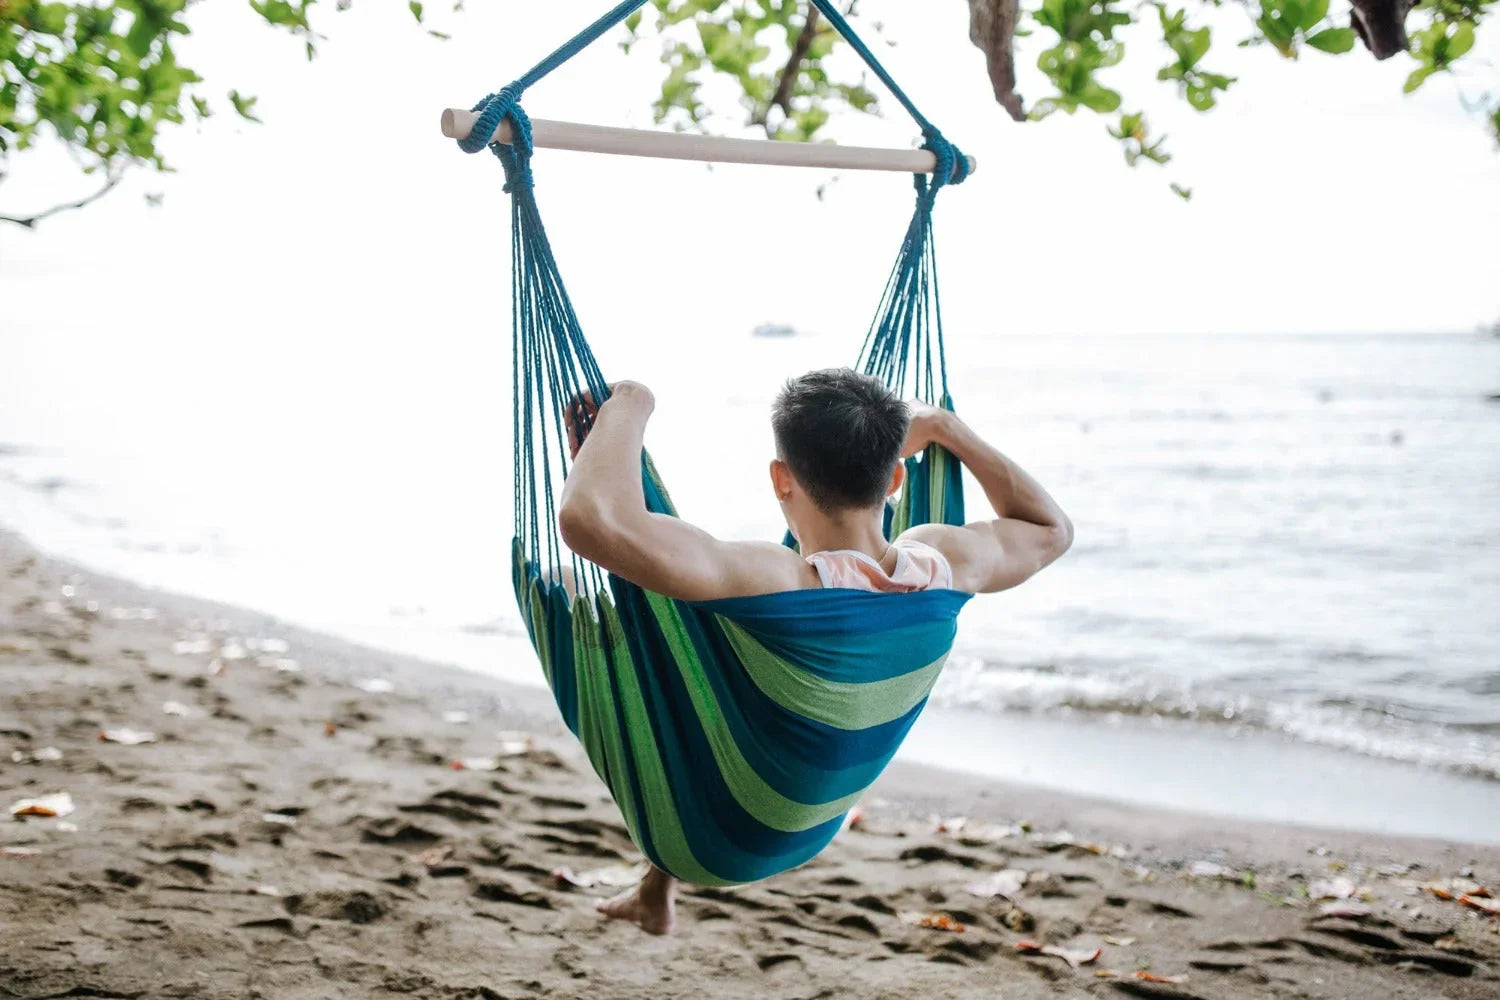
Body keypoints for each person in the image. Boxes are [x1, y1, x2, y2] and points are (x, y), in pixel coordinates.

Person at [556, 368, 1073, 934]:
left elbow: (592, 518)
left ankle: (659, 883)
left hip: (717, 836)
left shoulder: (775, 581)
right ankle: (654, 894)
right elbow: (1052, 529)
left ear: (782, 479)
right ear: (896, 477)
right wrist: (948, 429)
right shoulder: (947, 565)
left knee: (674, 661)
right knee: (716, 684)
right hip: (809, 826)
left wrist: (633, 401)